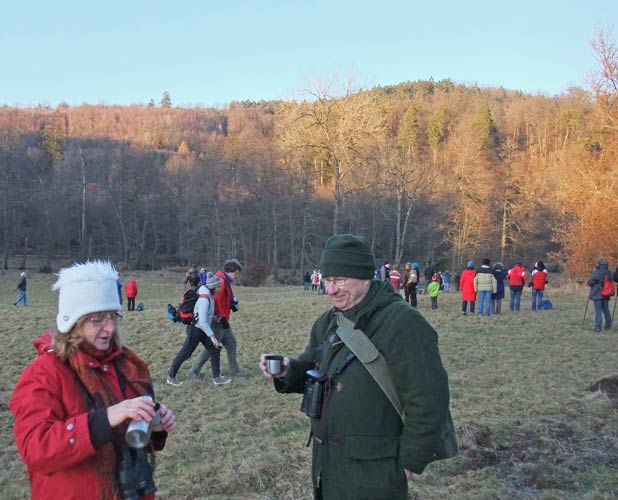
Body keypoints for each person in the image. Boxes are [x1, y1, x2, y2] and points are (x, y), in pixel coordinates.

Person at [260, 234, 457, 500]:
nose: (331, 290)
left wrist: (408, 464)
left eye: (340, 280)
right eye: (328, 280)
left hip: (375, 471)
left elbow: (429, 400)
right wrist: (288, 370)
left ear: (364, 276)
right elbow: (311, 367)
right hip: (327, 464)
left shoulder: (403, 323)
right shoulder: (328, 321)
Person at [9, 260, 176, 500]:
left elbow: (131, 435)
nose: (110, 328)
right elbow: (36, 449)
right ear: (72, 323)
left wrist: (154, 426)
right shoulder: (44, 373)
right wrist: (106, 418)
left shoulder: (127, 365)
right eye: (97, 319)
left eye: (113, 316)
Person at [167, 273, 231, 386]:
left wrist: (214, 318)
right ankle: (171, 377)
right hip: (196, 330)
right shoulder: (204, 299)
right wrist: (212, 337)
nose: (220, 289)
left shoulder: (209, 297)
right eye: (218, 287)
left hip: (203, 329)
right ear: (213, 287)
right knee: (185, 353)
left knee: (215, 350)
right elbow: (201, 321)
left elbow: (205, 316)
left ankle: (217, 378)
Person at [189, 258, 243, 378]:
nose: (237, 276)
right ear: (229, 271)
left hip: (223, 321)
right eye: (236, 273)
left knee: (231, 344)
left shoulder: (224, 281)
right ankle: (193, 371)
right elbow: (215, 302)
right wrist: (217, 317)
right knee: (211, 349)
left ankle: (235, 372)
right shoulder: (221, 283)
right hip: (218, 321)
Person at [587, 257, 613, 332]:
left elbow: (590, 282)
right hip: (606, 293)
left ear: (599, 264)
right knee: (606, 310)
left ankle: (598, 327)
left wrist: (593, 272)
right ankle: (608, 326)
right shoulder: (609, 272)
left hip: (597, 293)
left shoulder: (596, 272)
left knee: (598, 311)